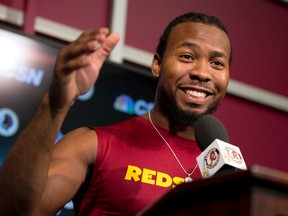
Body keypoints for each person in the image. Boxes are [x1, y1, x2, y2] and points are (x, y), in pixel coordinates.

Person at [0, 11, 232, 216]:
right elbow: (17, 211)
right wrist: (54, 104)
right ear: (157, 65)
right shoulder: (93, 144)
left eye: (217, 63)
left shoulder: (229, 172)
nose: (203, 73)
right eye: (187, 57)